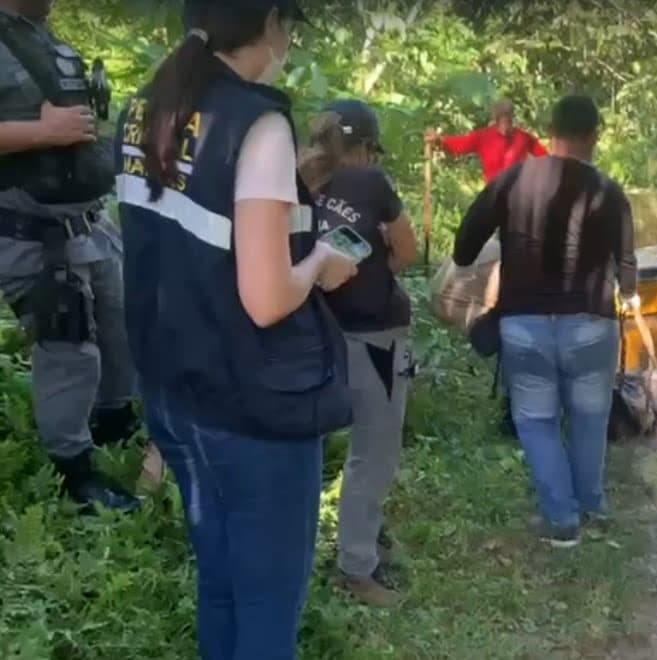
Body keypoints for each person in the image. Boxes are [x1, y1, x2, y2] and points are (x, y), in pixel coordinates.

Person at [115, 1, 357, 657]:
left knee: (222, 583)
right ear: (270, 22)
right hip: (250, 408)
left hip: (175, 394)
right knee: (268, 607)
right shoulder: (257, 123)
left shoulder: (145, 109)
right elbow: (267, 299)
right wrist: (320, 263)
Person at [452, 95, 638, 547]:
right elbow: (628, 274)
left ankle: (562, 520)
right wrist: (626, 292)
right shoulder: (609, 191)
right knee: (589, 419)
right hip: (591, 324)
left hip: (524, 324)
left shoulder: (513, 179)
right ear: (595, 137)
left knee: (536, 421)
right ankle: (591, 506)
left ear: (549, 133)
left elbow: (463, 250)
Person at [0, 0, 142, 512]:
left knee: (120, 323)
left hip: (87, 221)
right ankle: (75, 474)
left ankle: (115, 425)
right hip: (28, 231)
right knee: (68, 341)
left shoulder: (35, 35)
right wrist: (43, 132)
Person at [297, 99, 416, 608]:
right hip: (377, 335)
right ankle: (356, 566)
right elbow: (407, 251)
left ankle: (356, 544)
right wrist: (373, 267)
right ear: (365, 148)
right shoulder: (371, 183)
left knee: (315, 448)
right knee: (374, 451)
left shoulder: (296, 178)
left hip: (315, 332)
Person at [424, 98, 548, 183]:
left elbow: (546, 159)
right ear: (495, 120)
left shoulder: (523, 138)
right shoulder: (484, 137)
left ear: (512, 119)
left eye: (508, 121)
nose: (504, 127)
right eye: (501, 121)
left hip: (518, 196)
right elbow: (460, 144)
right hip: (493, 196)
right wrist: (438, 140)